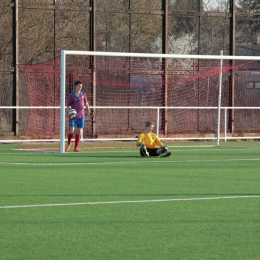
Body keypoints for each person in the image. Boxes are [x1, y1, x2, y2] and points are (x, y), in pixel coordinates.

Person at [65, 80, 90, 152]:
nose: (80, 87)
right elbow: (68, 106)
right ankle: (69, 144)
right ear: (75, 86)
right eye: (79, 86)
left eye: (81, 86)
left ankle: (76, 147)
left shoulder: (83, 94)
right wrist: (67, 113)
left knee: (79, 131)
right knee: (71, 130)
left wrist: (88, 110)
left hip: (81, 116)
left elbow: (86, 103)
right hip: (73, 116)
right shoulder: (71, 96)